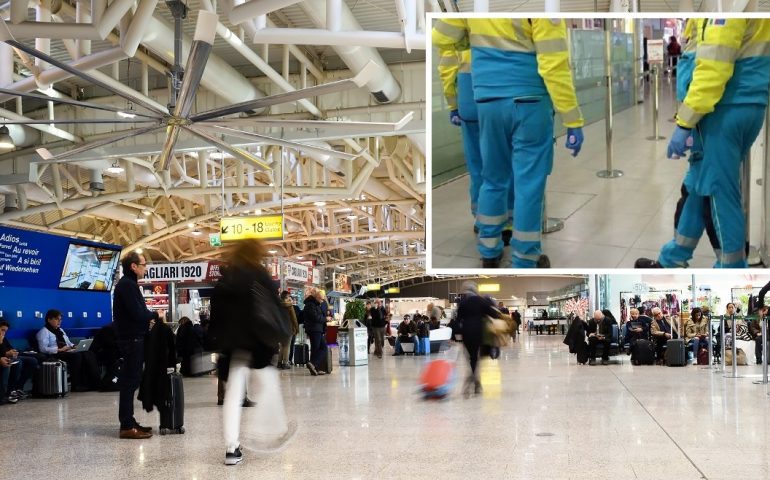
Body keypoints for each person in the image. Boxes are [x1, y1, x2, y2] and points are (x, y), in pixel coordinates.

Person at [432, 18, 584, 268]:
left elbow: (440, 37)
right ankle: (525, 259)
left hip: (488, 102)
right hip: (530, 101)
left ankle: (489, 251)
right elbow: (553, 65)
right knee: (529, 184)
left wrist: (472, 37)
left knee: (491, 179)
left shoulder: (474, 9)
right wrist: (572, 118)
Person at [636, 19, 770, 268]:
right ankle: (674, 257)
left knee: (719, 192)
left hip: (724, 108)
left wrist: (685, 121)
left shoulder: (725, 10)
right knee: (696, 186)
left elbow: (713, 69)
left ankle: (732, 269)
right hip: (738, 104)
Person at [209, 238, 295, 466]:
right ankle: (271, 432)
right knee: (269, 386)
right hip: (257, 342)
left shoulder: (226, 279)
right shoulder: (259, 275)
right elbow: (271, 308)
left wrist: (217, 343)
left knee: (233, 395)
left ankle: (231, 448)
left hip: (232, 345)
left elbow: (215, 316)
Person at [435, 33, 514, 243]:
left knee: (479, 167)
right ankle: (509, 221)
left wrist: (453, 105)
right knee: (507, 164)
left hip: (470, 101)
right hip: (503, 99)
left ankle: (483, 221)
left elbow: (446, 71)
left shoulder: (456, 32)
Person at [113, 250, 163, 440]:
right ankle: (126, 425)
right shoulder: (127, 286)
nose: (146, 268)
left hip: (132, 338)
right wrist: (155, 315)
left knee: (131, 381)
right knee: (129, 382)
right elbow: (138, 314)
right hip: (131, 339)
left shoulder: (129, 285)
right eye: (143, 265)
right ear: (133, 266)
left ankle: (130, 421)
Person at [36, 309, 101, 392]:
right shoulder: (44, 332)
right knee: (77, 356)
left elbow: (68, 342)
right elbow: (43, 349)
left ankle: (92, 382)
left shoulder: (60, 330)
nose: (59, 321)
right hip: (56, 354)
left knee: (88, 353)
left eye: (60, 319)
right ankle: (76, 385)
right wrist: (59, 349)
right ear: (49, 320)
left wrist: (74, 346)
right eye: (56, 319)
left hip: (66, 352)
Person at [456, 281, 499, 396]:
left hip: (466, 334)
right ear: (475, 290)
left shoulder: (463, 303)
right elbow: (494, 314)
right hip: (478, 333)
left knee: (471, 358)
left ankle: (474, 381)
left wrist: (457, 335)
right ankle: (475, 382)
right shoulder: (481, 301)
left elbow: (458, 320)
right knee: (475, 358)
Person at [0, 320, 37, 402]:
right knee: (18, 362)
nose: (4, 333)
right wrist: (6, 352)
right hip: (4, 358)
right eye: (2, 330)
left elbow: (10, 348)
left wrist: (13, 352)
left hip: (8, 357)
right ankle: (9, 392)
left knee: (32, 361)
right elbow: (3, 353)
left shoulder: (3, 338)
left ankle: (18, 388)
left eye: (5, 331)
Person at [303, 288, 328, 376]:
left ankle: (314, 368)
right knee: (320, 348)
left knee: (318, 349)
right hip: (314, 329)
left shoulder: (316, 304)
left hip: (318, 329)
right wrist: (326, 319)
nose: (322, 300)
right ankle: (313, 364)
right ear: (316, 296)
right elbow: (315, 317)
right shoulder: (310, 305)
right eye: (321, 298)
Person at [278, 291, 299, 370]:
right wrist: (296, 328)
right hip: (289, 327)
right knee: (287, 346)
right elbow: (293, 318)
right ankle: (285, 363)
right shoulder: (289, 306)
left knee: (282, 346)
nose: (290, 298)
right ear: (286, 297)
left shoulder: (278, 305)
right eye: (289, 296)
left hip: (281, 328)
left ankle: (279, 362)